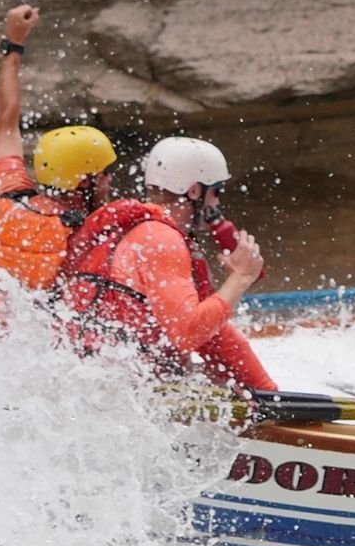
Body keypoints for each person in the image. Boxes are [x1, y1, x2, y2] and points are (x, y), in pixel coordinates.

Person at [58, 136, 277, 392]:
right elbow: (188, 334)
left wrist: (266, 391)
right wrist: (239, 278)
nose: (217, 202)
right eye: (216, 191)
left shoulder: (143, 228)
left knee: (208, 377)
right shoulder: (162, 239)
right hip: (117, 386)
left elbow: (212, 334)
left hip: (97, 372)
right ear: (195, 191)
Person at [0, 3, 118, 303]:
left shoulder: (9, 196)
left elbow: (6, 125)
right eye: (104, 174)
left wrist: (14, 42)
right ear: (83, 182)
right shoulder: (89, 237)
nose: (109, 181)